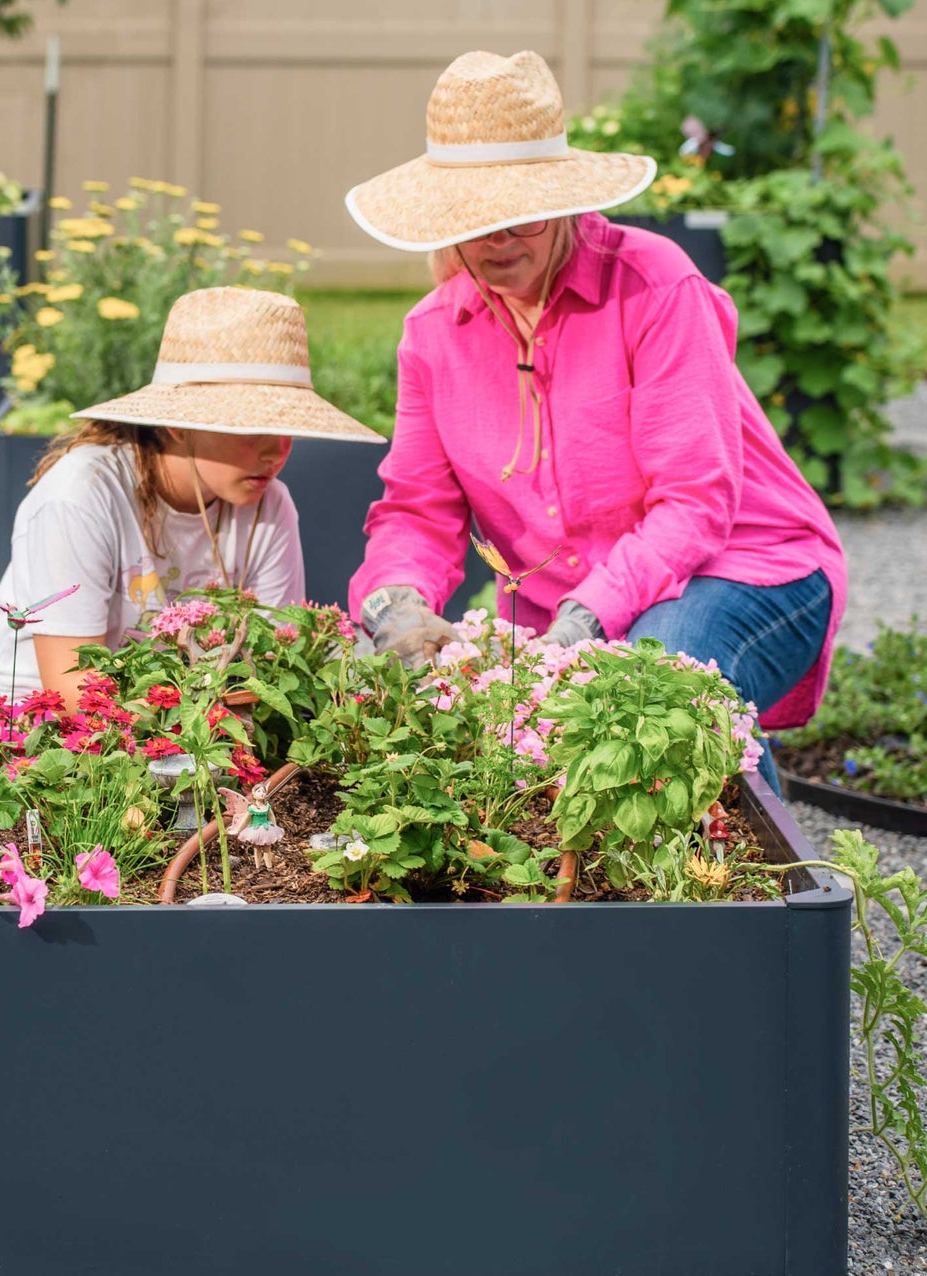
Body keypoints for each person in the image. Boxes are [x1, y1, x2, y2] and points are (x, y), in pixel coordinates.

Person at [342, 49, 847, 791]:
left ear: (564, 200)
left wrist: (587, 620)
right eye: (476, 219)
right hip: (577, 609)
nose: (499, 239)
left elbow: (695, 501)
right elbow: (418, 512)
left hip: (748, 565)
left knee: (651, 682)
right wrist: (396, 601)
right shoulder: (431, 334)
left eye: (522, 215)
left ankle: (770, 901)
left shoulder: (654, 283)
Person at [0, 286, 384, 708]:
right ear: (179, 425)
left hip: (186, 725)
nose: (276, 451)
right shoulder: (81, 496)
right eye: (254, 429)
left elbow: (276, 669)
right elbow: (73, 690)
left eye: (288, 427)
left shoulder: (270, 507)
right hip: (29, 724)